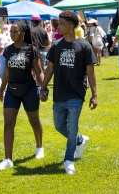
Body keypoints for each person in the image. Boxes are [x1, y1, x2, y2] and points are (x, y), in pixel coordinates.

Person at [40, 11, 98, 175]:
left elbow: (91, 72)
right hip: (59, 93)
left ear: (71, 27)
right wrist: (43, 88)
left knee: (72, 128)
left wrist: (94, 94)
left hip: (76, 93)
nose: (58, 26)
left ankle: (68, 160)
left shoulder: (84, 46)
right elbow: (49, 68)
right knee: (59, 126)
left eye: (61, 23)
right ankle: (80, 140)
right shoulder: (57, 45)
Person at [0, 19, 45, 171]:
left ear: (23, 33)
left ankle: (39, 147)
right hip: (12, 91)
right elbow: (7, 72)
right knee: (8, 123)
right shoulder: (8, 50)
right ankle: (8, 159)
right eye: (11, 32)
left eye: (16, 31)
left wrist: (43, 88)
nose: (13, 34)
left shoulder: (31, 49)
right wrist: (2, 89)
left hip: (29, 90)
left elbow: (39, 71)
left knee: (35, 122)